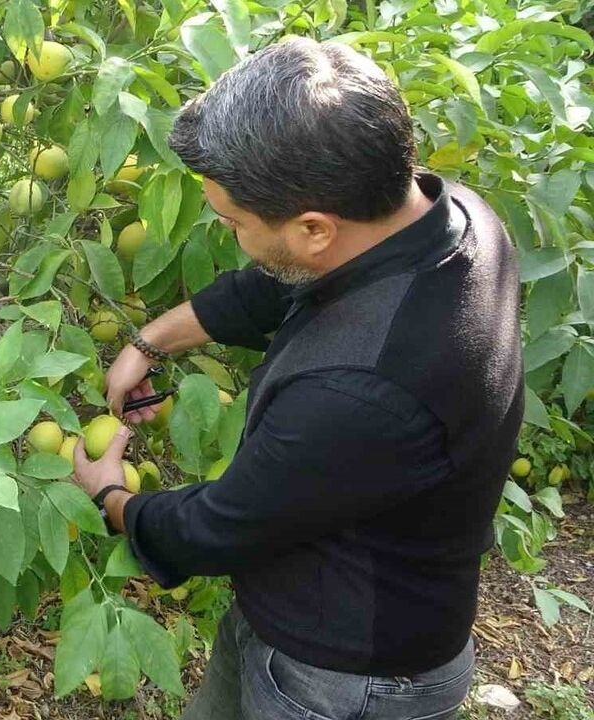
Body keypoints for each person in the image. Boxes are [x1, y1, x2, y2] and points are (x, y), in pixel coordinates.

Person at [71, 38, 522, 719]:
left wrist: (110, 495)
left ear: (315, 228)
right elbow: (280, 281)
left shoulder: (358, 392)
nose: (230, 235)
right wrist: (151, 340)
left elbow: (217, 528)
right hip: (296, 609)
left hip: (343, 679)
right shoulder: (449, 216)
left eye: (233, 223)